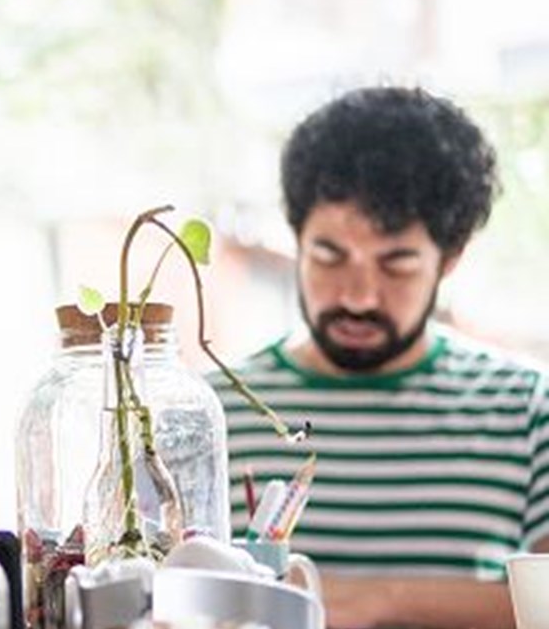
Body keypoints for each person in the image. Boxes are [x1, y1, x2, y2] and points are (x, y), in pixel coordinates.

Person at [214, 85, 545, 629]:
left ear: (450, 259)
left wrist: (367, 601)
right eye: (329, 255)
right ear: (296, 239)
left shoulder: (529, 408)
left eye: (396, 263)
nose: (358, 296)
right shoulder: (211, 412)